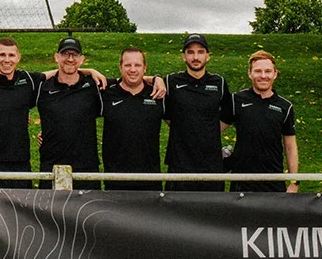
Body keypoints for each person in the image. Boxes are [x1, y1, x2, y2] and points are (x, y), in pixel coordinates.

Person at [164, 33, 233, 191]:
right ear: (184, 56)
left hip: (212, 164)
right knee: (176, 212)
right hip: (179, 163)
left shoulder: (219, 82)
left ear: (208, 56)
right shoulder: (171, 82)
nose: (195, 57)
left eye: (200, 52)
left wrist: (210, 130)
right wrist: (184, 128)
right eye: (190, 52)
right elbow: (166, 114)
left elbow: (229, 112)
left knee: (211, 211)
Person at [227, 50, 298, 193]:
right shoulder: (236, 100)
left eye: (268, 71)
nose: (263, 76)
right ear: (250, 73)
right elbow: (212, 129)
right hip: (242, 181)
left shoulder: (285, 106)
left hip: (273, 181)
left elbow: (290, 146)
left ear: (275, 74)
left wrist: (294, 182)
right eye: (258, 71)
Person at [35, 37, 102, 188]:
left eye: (75, 55)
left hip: (86, 168)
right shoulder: (42, 88)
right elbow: (18, 83)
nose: (70, 59)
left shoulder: (95, 86)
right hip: (51, 167)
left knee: (87, 212)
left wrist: (156, 79)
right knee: (49, 212)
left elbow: (129, 81)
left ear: (82, 59)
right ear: (56, 57)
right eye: (65, 54)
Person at [99, 47, 164, 190]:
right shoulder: (106, 94)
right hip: (115, 181)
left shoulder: (158, 94)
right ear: (120, 67)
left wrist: (156, 78)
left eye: (137, 65)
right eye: (128, 65)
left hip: (150, 181)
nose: (132, 69)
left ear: (145, 68)